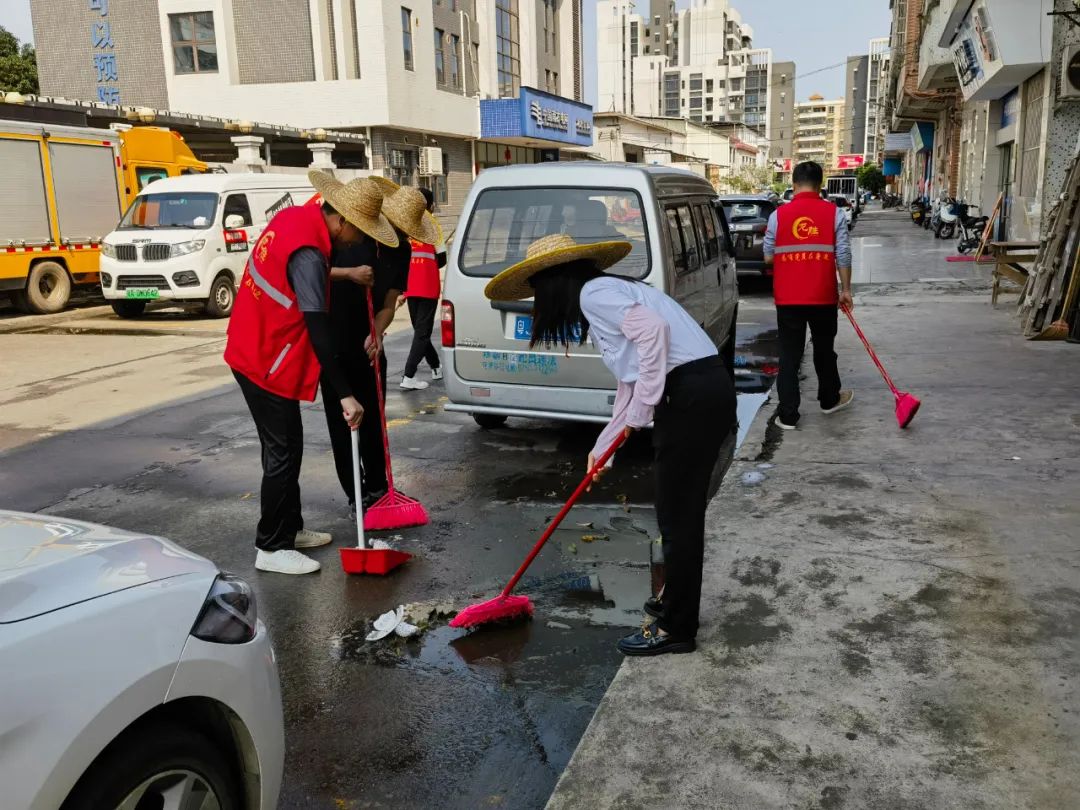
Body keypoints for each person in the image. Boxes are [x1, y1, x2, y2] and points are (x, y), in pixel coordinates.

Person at [484, 233, 737, 656]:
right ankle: (672, 604)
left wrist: (644, 411)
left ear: (552, 282)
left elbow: (653, 336)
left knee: (679, 518)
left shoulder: (594, 295)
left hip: (691, 395)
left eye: (537, 291)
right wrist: (604, 446)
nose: (538, 301)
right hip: (700, 391)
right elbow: (630, 381)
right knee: (675, 513)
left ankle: (677, 628)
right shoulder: (612, 290)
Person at [225, 173, 398, 575]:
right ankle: (271, 545)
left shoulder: (297, 220)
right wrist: (345, 395)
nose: (357, 244)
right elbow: (319, 331)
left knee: (286, 446)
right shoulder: (309, 253)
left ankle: (290, 527)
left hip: (257, 347)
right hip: (263, 358)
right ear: (341, 220)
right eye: (359, 232)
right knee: (283, 452)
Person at [321, 180, 435, 514]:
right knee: (343, 422)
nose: (399, 234)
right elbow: (314, 272)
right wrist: (350, 274)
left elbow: (389, 300)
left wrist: (378, 331)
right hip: (335, 338)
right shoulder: (352, 234)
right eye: (397, 227)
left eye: (405, 230)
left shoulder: (402, 249)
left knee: (373, 420)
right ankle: (356, 495)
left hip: (369, 344)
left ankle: (379, 489)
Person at [763, 160, 854, 431]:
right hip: (823, 296)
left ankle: (788, 415)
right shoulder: (834, 213)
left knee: (789, 355)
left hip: (788, 298)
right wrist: (846, 290)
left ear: (793, 184)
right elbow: (844, 255)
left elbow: (768, 255)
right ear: (820, 185)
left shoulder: (778, 215)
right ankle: (829, 400)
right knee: (824, 351)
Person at [399, 186, 445, 391]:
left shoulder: (405, 225)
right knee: (422, 333)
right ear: (431, 205)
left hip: (410, 285)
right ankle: (409, 375)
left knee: (421, 332)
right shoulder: (433, 226)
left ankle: (435, 366)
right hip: (427, 286)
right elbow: (442, 259)